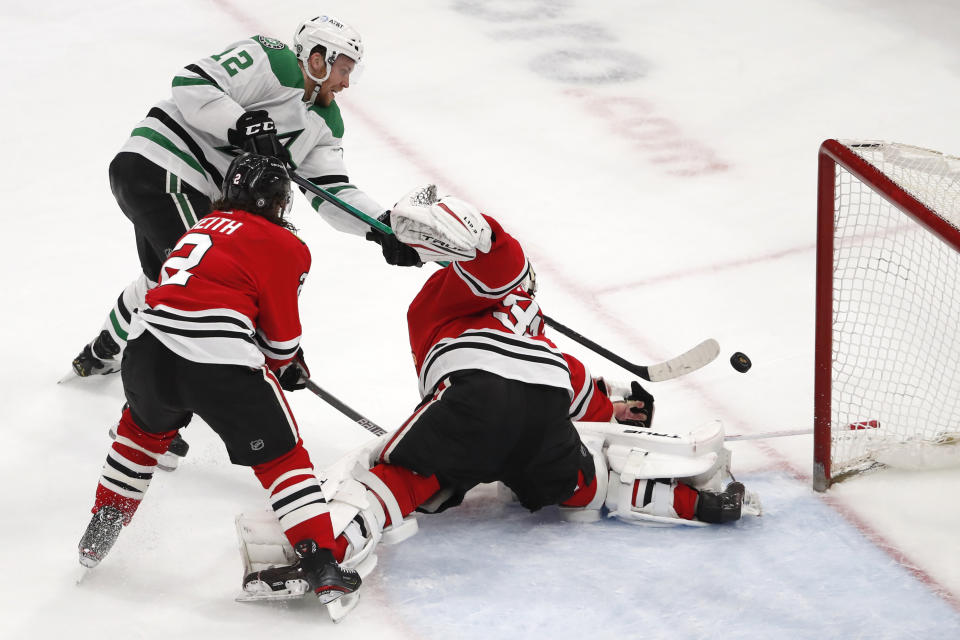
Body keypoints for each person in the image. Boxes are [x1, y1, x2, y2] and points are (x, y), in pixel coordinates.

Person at [238, 185, 759, 608]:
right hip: (543, 410)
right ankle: (700, 503)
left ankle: (322, 554)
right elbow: (569, 381)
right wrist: (612, 407)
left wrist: (441, 225)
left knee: (397, 474)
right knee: (585, 484)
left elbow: (496, 259)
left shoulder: (442, 295)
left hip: (476, 399)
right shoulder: (530, 328)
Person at [77, 153, 360, 605]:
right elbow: (280, 340)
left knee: (139, 433)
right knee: (283, 458)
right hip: (218, 358)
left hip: (148, 347)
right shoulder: (287, 245)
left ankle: (103, 525)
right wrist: (289, 365)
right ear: (279, 201)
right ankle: (319, 559)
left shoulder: (201, 226)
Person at [72, 13, 398, 378]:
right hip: (164, 167)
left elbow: (331, 190)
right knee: (199, 288)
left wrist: (380, 226)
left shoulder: (325, 122)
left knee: (164, 280)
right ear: (318, 59)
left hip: (185, 190)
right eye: (344, 70)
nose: (347, 83)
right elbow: (191, 81)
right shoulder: (271, 60)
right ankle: (150, 417)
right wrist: (243, 123)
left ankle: (102, 351)